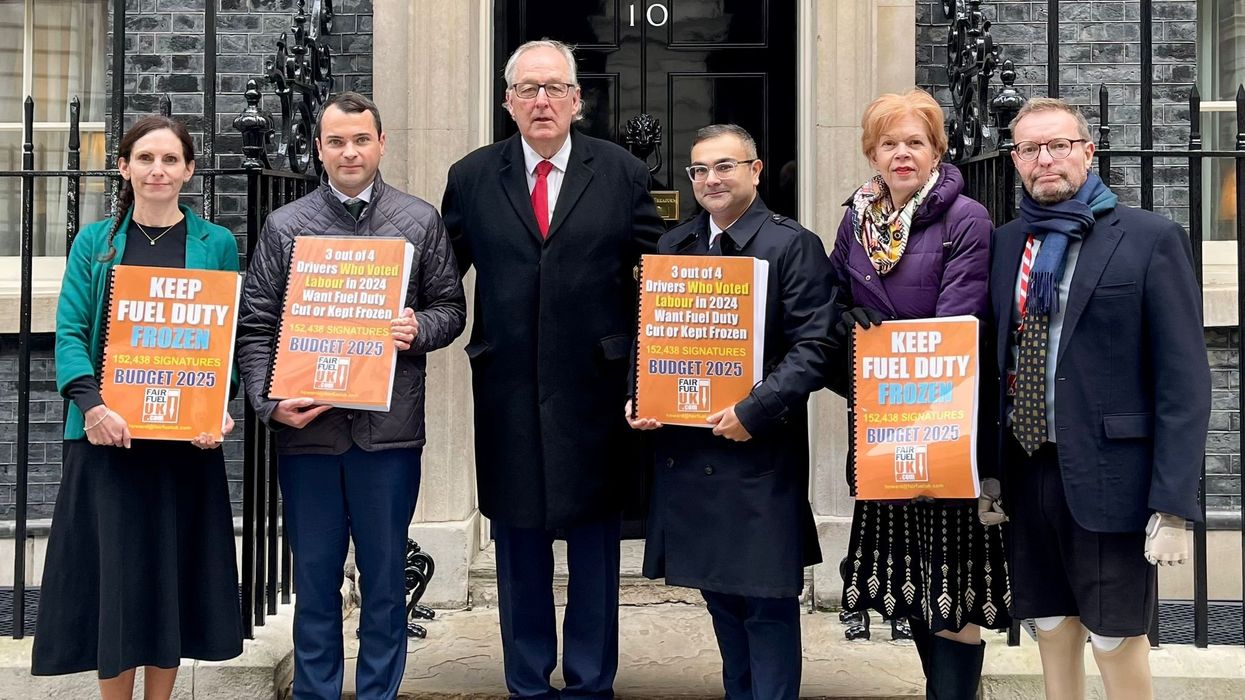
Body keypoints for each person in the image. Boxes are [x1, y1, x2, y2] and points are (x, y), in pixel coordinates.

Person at [441, 39, 663, 699]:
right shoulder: (472, 176)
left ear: (575, 100)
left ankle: (592, 682)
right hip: (507, 387)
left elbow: (660, 275)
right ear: (508, 101)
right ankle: (528, 682)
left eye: (553, 88)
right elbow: (439, 278)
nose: (541, 101)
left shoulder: (621, 172)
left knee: (595, 547)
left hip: (595, 391)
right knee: (517, 543)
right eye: (528, 89)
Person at [235, 92, 466, 700]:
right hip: (308, 432)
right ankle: (315, 692)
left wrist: (420, 327)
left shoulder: (419, 221)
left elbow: (452, 308)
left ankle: (377, 693)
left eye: (360, 140)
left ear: (381, 144)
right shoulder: (286, 226)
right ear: (319, 150)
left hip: (387, 433)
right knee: (314, 583)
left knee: (385, 582)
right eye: (336, 141)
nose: (349, 152)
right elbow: (256, 326)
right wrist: (267, 402)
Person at [987, 97, 1210, 700]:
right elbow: (994, 362)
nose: (1045, 159)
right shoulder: (1008, 244)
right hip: (1028, 468)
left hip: (1115, 477)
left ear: (1087, 151)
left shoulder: (1149, 238)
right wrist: (988, 474)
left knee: (1115, 635)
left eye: (1058, 145)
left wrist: (1172, 505)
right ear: (1016, 161)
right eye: (1031, 149)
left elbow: (1184, 384)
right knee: (1051, 624)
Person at [31, 115, 243, 698]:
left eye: (170, 159)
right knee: (118, 586)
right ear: (124, 167)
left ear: (189, 171)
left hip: (184, 446)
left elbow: (222, 340)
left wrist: (216, 409)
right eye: (145, 158)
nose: (158, 170)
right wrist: (93, 408)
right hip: (109, 439)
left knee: (169, 579)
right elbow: (70, 332)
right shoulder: (95, 243)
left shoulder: (215, 244)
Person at [625, 124, 834, 700]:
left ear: (756, 170)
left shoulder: (793, 245)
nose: (711, 179)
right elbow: (653, 336)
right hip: (690, 456)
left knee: (766, 603)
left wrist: (755, 409)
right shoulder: (674, 247)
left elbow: (816, 348)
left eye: (725, 166)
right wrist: (639, 397)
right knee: (719, 599)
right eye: (699, 170)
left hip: (758, 454)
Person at [827, 89, 1010, 698]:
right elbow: (833, 297)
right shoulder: (854, 219)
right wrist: (845, 320)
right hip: (882, 428)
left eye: (915, 142)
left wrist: (893, 348)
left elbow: (958, 321)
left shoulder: (966, 218)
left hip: (943, 425)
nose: (902, 153)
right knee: (914, 587)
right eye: (889, 143)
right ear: (871, 152)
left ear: (938, 150)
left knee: (954, 594)